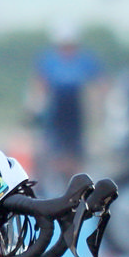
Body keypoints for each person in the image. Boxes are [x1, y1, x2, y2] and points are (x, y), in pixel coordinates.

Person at [33, 32, 102, 176]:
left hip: (75, 108)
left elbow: (100, 81)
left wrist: (98, 106)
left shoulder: (84, 60)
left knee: (76, 151)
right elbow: (40, 83)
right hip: (56, 109)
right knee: (55, 149)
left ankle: (75, 179)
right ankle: (59, 176)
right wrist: (37, 106)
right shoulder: (49, 60)